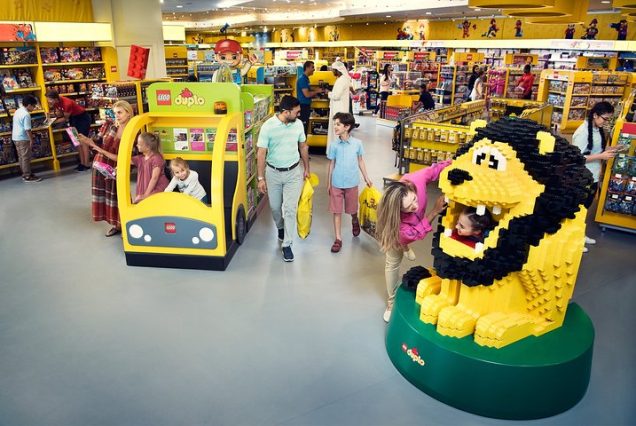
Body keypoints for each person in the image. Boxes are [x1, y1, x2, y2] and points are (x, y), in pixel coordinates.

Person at [376, 160, 451, 322]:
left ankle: (405, 247)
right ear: (399, 210)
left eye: (415, 199)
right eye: (409, 207)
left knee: (405, 239)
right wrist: (434, 211)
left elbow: (436, 169)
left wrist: (455, 163)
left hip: (408, 230)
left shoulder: (416, 179)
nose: (415, 207)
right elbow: (415, 233)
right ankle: (390, 302)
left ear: (411, 188)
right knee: (392, 261)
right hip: (398, 235)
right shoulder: (397, 226)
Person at [256, 95, 310, 262]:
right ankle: (280, 227)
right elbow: (261, 153)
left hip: (293, 172)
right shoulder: (268, 126)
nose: (299, 115)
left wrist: (307, 168)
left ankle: (287, 244)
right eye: (296, 112)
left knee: (290, 209)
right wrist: (260, 178)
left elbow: (303, 146)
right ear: (286, 112)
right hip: (273, 173)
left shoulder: (298, 124)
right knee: (275, 208)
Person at [77, 100, 134, 237]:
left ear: (128, 113)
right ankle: (116, 225)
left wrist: (97, 148)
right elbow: (98, 141)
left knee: (120, 196)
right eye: (115, 113)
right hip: (101, 166)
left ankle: (126, 224)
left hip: (118, 168)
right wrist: (86, 140)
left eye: (120, 112)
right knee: (108, 197)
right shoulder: (109, 126)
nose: (117, 116)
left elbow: (128, 157)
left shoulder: (133, 131)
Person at [572, 101, 619, 253]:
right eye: (605, 119)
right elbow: (577, 158)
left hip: (593, 176)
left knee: (585, 208)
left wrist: (610, 149)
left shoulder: (597, 129)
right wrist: (601, 156)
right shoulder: (582, 132)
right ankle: (574, 240)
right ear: (595, 115)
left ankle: (580, 234)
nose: (606, 122)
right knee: (578, 210)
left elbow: (595, 149)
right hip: (583, 177)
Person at [326, 112, 372, 253]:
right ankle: (338, 239)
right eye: (334, 124)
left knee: (352, 209)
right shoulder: (334, 145)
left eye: (338, 124)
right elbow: (331, 164)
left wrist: (366, 177)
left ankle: (354, 219)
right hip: (336, 183)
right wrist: (329, 183)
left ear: (347, 127)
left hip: (352, 182)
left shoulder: (357, 144)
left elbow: (360, 161)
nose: (335, 127)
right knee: (336, 211)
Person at [46, 90, 92, 171]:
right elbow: (60, 113)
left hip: (82, 119)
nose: (48, 101)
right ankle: (82, 163)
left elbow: (65, 118)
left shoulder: (67, 103)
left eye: (50, 99)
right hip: (73, 119)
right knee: (76, 142)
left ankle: (87, 164)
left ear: (55, 98)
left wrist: (51, 122)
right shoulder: (56, 103)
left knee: (83, 142)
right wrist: (51, 115)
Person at [131, 132, 169, 203]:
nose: (137, 145)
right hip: (146, 189)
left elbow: (154, 178)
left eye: (139, 144)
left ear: (148, 147)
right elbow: (122, 159)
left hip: (157, 189)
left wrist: (146, 195)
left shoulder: (156, 158)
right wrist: (106, 153)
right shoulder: (141, 158)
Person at [11, 94, 42, 182]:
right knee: (26, 157)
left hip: (15, 137)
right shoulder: (26, 114)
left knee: (21, 157)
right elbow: (27, 129)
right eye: (33, 106)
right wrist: (31, 140)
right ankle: (27, 176)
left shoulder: (18, 111)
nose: (34, 108)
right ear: (29, 105)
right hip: (23, 138)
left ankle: (25, 173)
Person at [326, 61, 352, 148]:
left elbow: (336, 96)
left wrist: (328, 93)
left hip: (339, 110)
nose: (332, 72)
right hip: (340, 109)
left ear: (337, 70)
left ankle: (337, 150)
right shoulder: (343, 79)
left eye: (333, 70)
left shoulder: (342, 80)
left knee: (337, 131)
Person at [296, 61, 323, 132]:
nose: (314, 69)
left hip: (306, 106)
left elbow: (308, 89)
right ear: (307, 68)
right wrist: (317, 91)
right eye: (312, 67)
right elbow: (307, 94)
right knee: (303, 126)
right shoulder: (302, 79)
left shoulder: (306, 78)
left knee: (305, 126)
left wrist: (316, 91)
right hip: (303, 106)